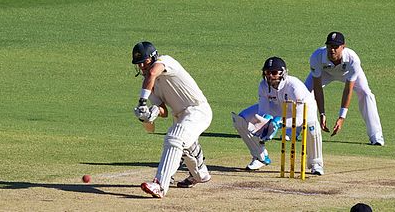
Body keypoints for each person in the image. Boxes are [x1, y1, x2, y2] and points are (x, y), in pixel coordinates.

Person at [131, 41, 212, 198]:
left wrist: (142, 102)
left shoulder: (165, 61)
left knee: (174, 139)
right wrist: (152, 112)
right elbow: (164, 110)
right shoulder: (150, 84)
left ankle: (160, 185)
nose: (141, 67)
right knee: (185, 146)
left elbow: (153, 73)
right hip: (181, 116)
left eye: (144, 62)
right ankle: (200, 175)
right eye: (138, 64)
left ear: (153, 58)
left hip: (198, 110)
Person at [232, 56, 324, 175]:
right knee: (241, 119)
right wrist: (264, 125)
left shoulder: (294, 86)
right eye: (267, 72)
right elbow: (263, 112)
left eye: (274, 73)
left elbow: (300, 119)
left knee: (311, 126)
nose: (270, 76)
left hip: (303, 110)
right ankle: (260, 156)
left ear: (283, 73)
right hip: (278, 108)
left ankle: (316, 164)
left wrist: (279, 122)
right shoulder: (263, 86)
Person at [305, 32, 384, 146]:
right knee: (304, 94)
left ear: (343, 47)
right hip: (325, 73)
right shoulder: (316, 57)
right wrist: (322, 114)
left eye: (335, 47)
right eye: (329, 46)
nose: (332, 50)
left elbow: (348, 89)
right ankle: (292, 131)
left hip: (347, 73)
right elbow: (317, 88)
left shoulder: (353, 59)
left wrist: (341, 117)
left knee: (366, 93)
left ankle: (376, 136)